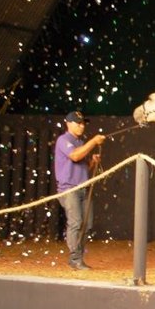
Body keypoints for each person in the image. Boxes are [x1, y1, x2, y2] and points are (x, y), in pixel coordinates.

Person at [54, 111, 105, 270]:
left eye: (83, 123)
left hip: (82, 187)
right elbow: (75, 156)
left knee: (87, 224)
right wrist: (93, 142)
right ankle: (75, 258)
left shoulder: (81, 142)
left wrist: (92, 162)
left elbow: (82, 167)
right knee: (76, 222)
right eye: (78, 123)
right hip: (69, 189)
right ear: (68, 124)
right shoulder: (63, 140)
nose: (82, 126)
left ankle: (78, 257)